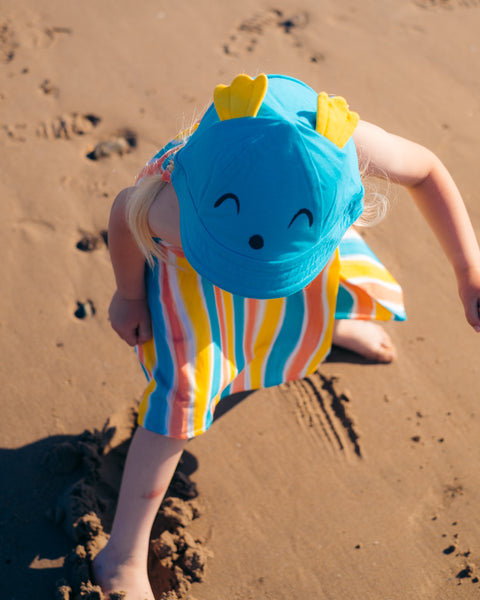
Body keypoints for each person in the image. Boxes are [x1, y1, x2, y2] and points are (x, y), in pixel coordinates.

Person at [93, 73, 480, 599]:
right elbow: (123, 211)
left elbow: (427, 170)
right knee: (184, 390)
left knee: (299, 303)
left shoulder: (340, 145)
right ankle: (123, 553)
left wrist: (468, 271)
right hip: (191, 275)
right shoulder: (172, 209)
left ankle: (330, 324)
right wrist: (129, 296)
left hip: (290, 244)